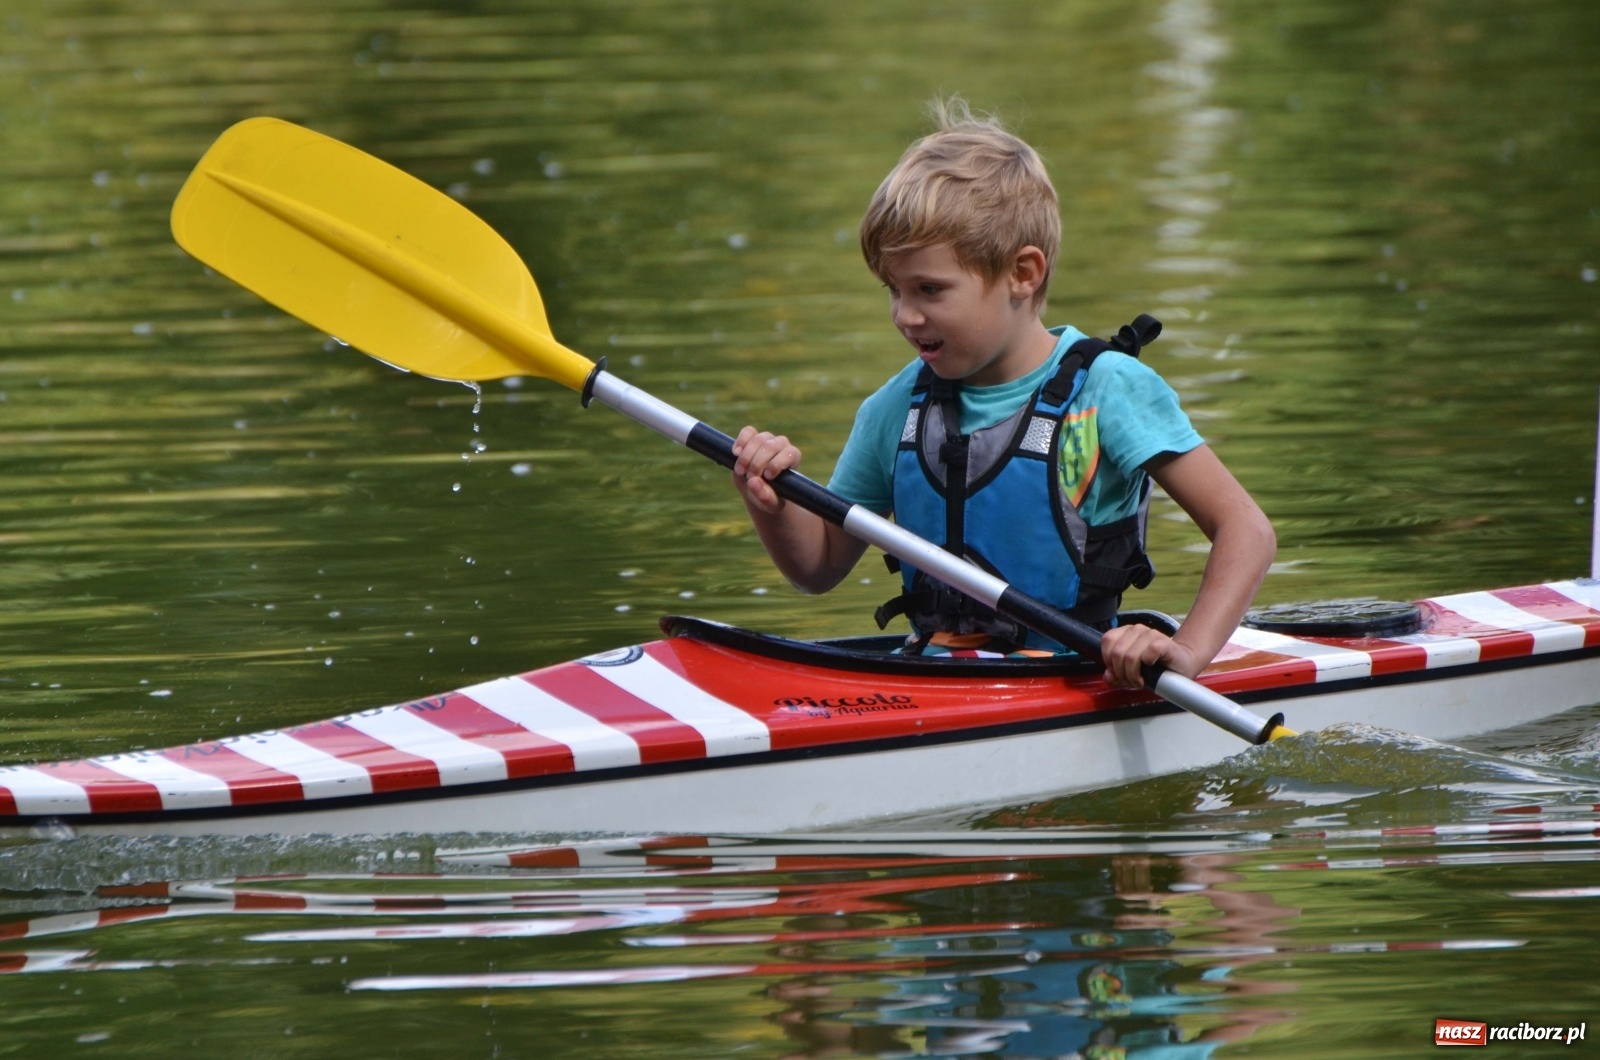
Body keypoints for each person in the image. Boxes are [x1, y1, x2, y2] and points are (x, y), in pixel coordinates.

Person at [730, 99, 1274, 688]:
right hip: (936, 682)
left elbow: (1246, 532)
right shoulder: (893, 411)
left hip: (1078, 678)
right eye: (893, 290)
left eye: (930, 290)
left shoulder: (1109, 391)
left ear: (1024, 273)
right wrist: (773, 501)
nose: (905, 316)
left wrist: (1185, 653)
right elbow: (820, 566)